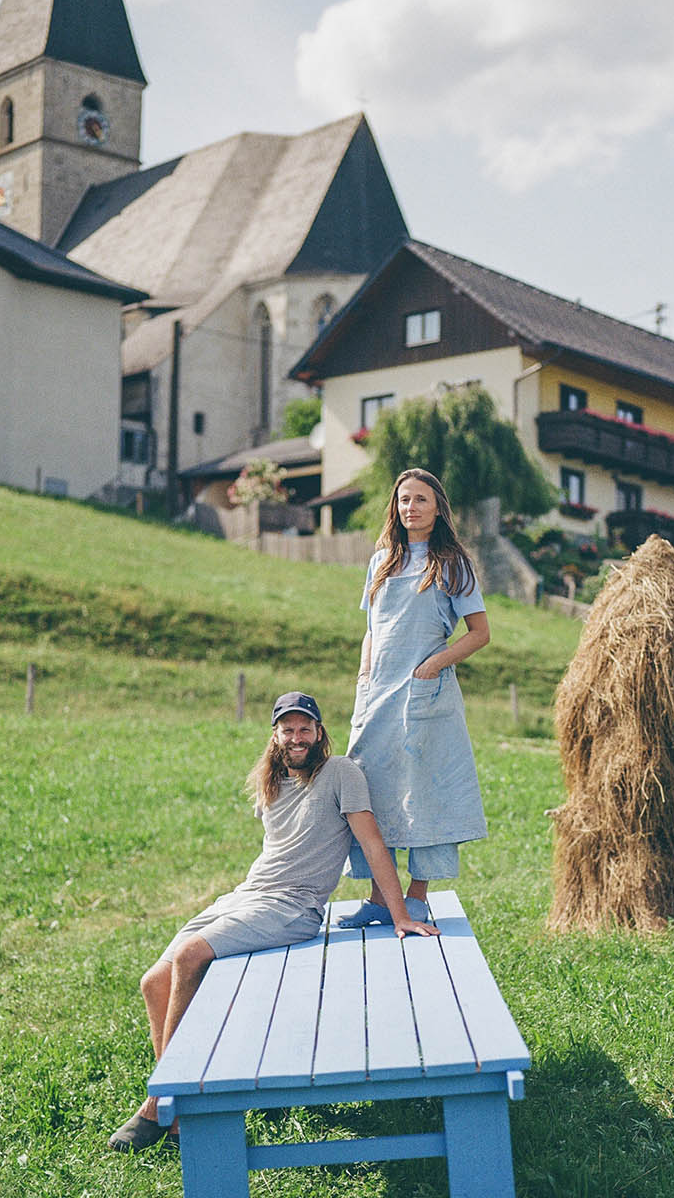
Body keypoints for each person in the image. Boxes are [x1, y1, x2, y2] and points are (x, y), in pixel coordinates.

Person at [108, 690, 438, 1152]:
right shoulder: (273, 783)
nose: (297, 736)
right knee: (153, 983)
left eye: (305, 728)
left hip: (294, 906)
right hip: (247, 896)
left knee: (190, 956)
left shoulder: (341, 773)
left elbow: (374, 844)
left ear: (319, 732)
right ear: (276, 735)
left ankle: (161, 1099)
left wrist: (400, 915)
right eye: (288, 729)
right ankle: (180, 1118)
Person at [339, 468, 490, 930]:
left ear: (438, 507)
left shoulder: (452, 564)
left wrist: (435, 664)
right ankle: (379, 898)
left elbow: (480, 634)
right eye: (404, 500)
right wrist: (365, 675)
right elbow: (372, 629)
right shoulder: (380, 560)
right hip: (377, 692)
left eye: (421, 499)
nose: (411, 508)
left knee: (424, 790)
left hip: (426, 695)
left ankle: (417, 896)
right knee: (370, 788)